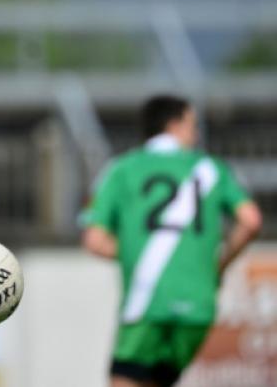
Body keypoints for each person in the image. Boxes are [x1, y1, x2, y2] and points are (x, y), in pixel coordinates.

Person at [82, 95, 262, 387]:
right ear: (174, 125)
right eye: (192, 125)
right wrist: (219, 264)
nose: (197, 133)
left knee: (127, 379)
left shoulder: (121, 169)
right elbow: (251, 220)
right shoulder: (212, 168)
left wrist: (137, 252)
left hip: (147, 300)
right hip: (199, 305)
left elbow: (94, 240)